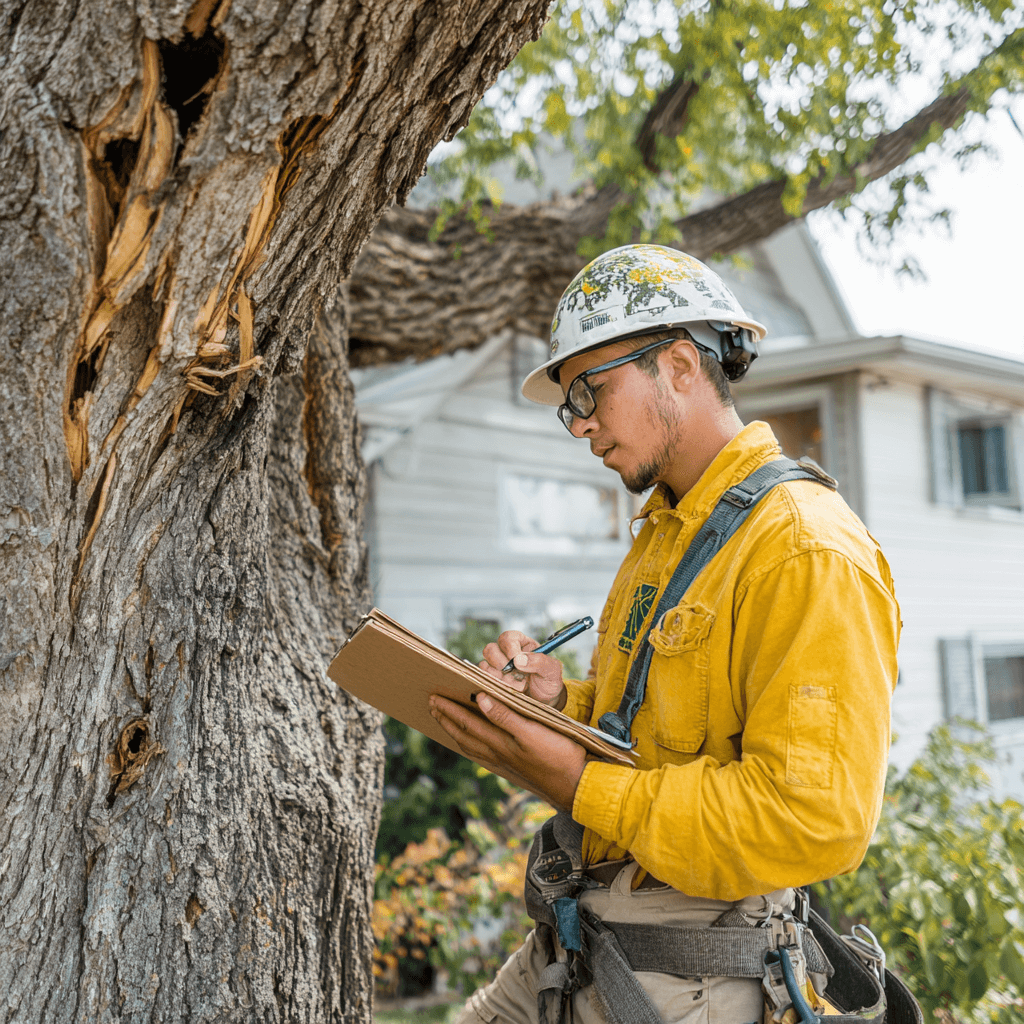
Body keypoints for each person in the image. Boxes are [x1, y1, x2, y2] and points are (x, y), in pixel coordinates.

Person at [429, 244, 900, 1024]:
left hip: (692, 971)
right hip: (580, 935)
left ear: (680, 366)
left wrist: (579, 785)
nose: (580, 423)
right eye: (569, 404)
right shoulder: (666, 531)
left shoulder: (804, 549)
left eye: (591, 390)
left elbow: (811, 820)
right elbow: (654, 729)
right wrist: (563, 704)